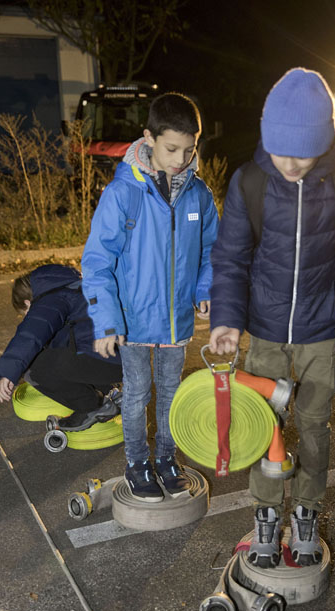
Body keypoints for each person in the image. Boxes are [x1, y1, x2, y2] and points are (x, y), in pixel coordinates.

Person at [209, 68, 335, 567]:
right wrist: (226, 319)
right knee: (260, 423)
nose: (289, 163)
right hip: (265, 331)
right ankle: (267, 517)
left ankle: (307, 515)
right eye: (279, 151)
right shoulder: (249, 181)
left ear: (325, 142)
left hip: (321, 331)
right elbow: (230, 257)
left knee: (314, 426)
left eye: (302, 152)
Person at [81, 92, 219, 502]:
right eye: (171, 148)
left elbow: (213, 250)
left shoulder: (199, 195)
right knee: (137, 394)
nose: (180, 159)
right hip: (133, 321)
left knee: (172, 394)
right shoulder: (124, 193)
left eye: (189, 149)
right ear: (149, 138)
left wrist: (205, 288)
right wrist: (107, 320)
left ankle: (167, 459)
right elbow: (97, 261)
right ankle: (137, 462)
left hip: (176, 320)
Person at [0, 264, 123, 429]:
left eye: (24, 313)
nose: (25, 318)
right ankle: (108, 391)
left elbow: (31, 334)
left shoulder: (49, 300)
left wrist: (8, 371)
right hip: (121, 357)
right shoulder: (72, 288)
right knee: (55, 351)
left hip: (108, 359)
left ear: (29, 302)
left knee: (33, 369)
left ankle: (93, 406)